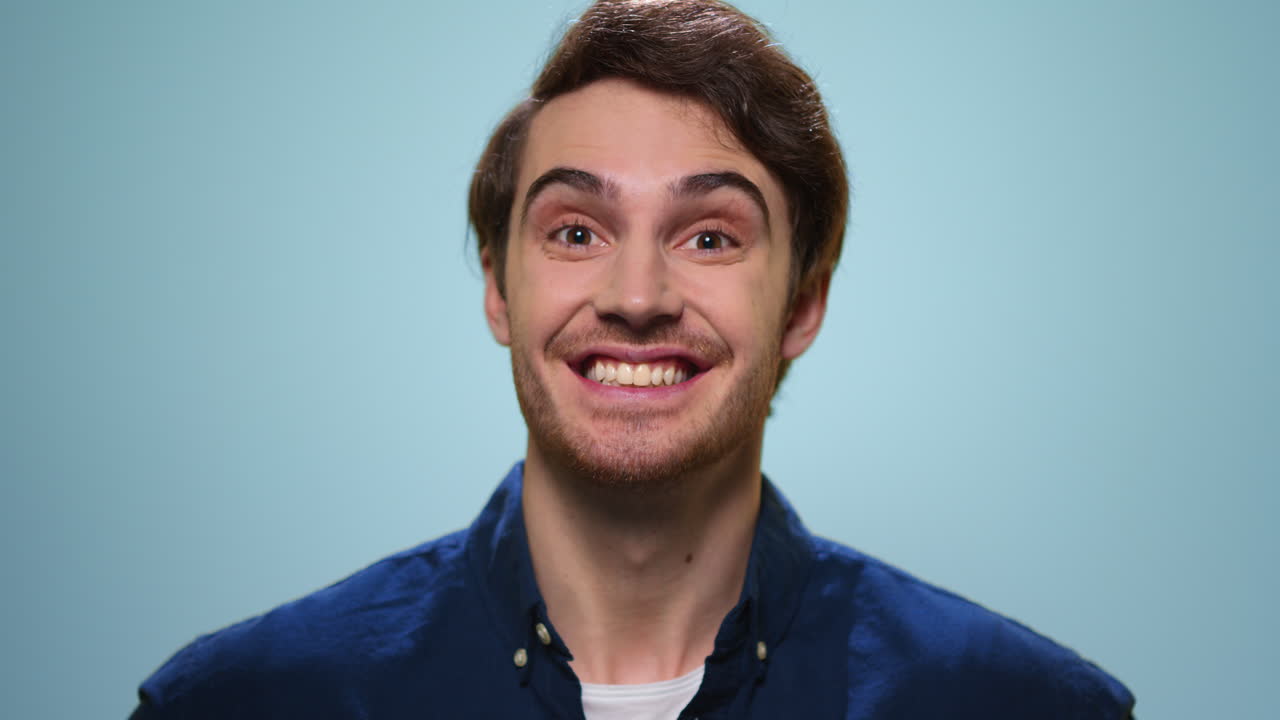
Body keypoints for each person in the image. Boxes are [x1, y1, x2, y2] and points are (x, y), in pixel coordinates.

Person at [131, 1, 1135, 718]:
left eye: (708, 237)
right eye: (575, 232)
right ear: (497, 287)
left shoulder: (1018, 707)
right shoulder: (242, 703)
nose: (637, 297)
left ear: (803, 302)